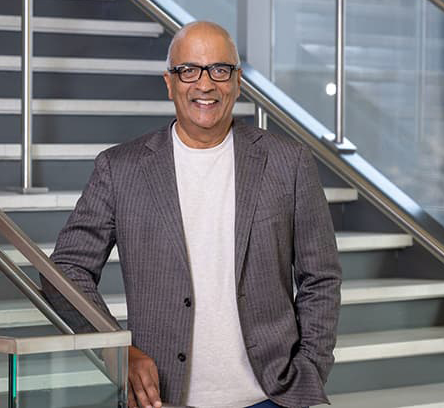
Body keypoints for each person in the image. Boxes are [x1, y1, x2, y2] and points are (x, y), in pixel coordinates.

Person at [41, 21, 341, 408]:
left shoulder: (289, 162)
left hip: (273, 396)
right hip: (163, 400)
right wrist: (116, 350)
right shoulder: (121, 169)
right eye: (189, 71)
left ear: (237, 82)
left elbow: (321, 278)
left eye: (220, 70)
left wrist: (309, 372)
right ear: (169, 82)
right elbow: (64, 270)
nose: (204, 84)